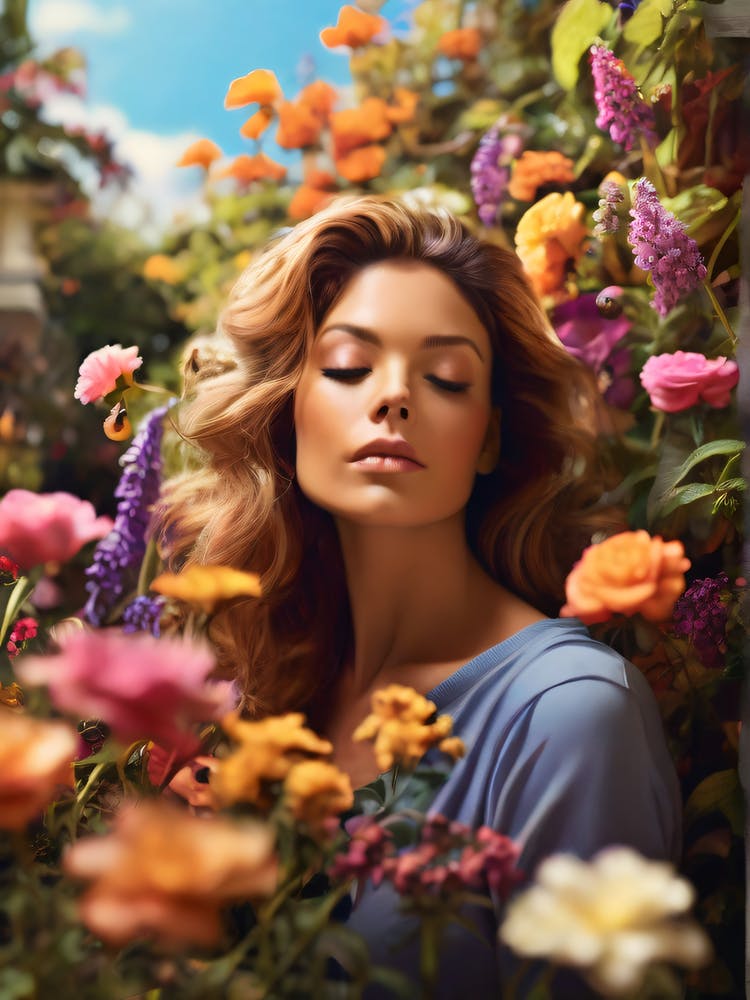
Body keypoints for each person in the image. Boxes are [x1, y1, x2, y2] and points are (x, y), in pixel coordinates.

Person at [156, 195, 681, 996]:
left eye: (445, 377)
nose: (394, 396)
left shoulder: (571, 717)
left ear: (491, 437)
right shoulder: (271, 686)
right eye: (347, 367)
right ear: (287, 412)